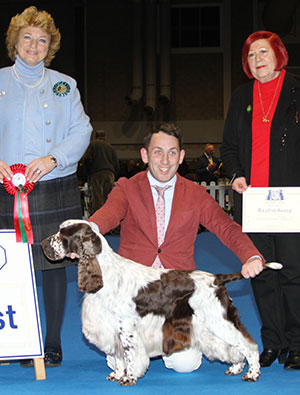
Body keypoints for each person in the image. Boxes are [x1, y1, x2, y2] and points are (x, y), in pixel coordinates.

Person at [89, 122, 265, 373]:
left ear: (181, 157)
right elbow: (107, 215)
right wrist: (86, 232)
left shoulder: (195, 194)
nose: (164, 160)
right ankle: (139, 343)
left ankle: (165, 343)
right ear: (144, 155)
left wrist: (251, 255)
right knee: (121, 360)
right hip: (134, 296)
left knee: (185, 365)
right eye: (157, 151)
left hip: (177, 297)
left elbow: (225, 226)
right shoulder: (126, 188)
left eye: (172, 152)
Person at [0, 6, 92, 367]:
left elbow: (81, 130)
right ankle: (13, 340)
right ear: (15, 42)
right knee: (9, 266)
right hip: (8, 189)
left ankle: (51, 343)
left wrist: (54, 158)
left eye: (42, 40)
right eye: (27, 38)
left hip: (55, 186)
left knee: (54, 266)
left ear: (49, 46)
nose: (34, 45)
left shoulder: (64, 85)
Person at [221, 30, 300, 371]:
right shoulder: (241, 97)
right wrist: (236, 173)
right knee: (263, 273)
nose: (258, 59)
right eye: (251, 55)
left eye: (263, 52)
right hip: (253, 202)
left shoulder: (297, 90)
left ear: (279, 55)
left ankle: (297, 343)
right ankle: (273, 342)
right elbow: (229, 147)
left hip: (290, 201)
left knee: (294, 273)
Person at [84, 130, 119, 214]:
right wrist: (115, 174)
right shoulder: (110, 147)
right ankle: (109, 216)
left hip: (97, 173)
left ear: (95, 137)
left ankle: (99, 218)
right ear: (105, 137)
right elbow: (116, 163)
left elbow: (87, 159)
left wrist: (88, 173)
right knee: (108, 197)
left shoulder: (92, 145)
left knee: (97, 198)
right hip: (110, 174)